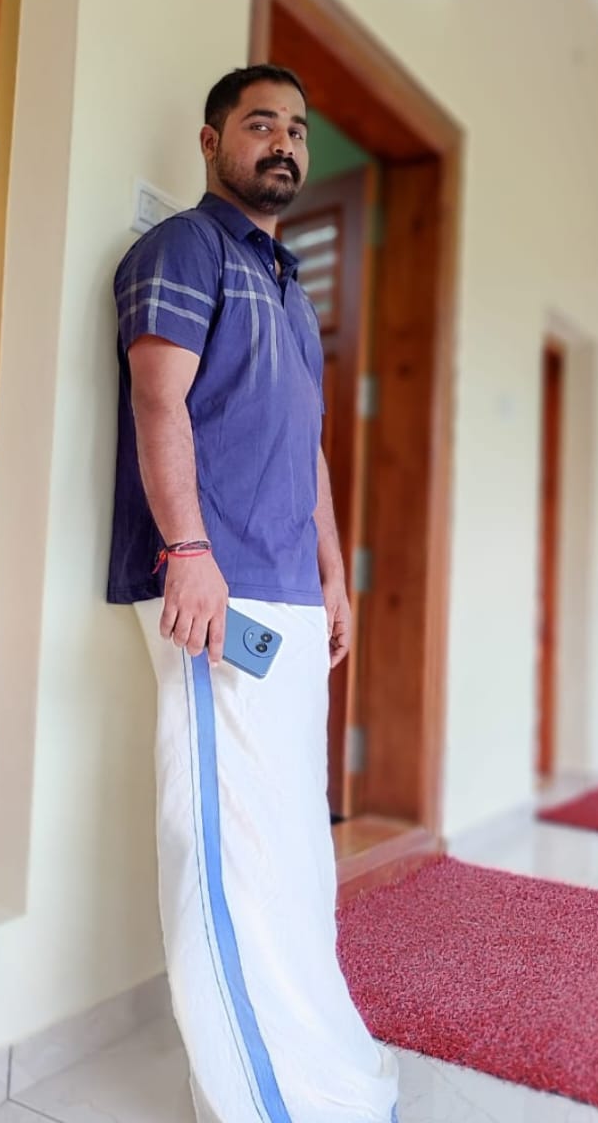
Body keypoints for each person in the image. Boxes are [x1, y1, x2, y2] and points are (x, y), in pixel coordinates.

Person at [107, 65, 400, 1123]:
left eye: (297, 130)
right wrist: (188, 548)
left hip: (290, 594)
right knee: (229, 857)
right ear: (211, 140)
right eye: (260, 123)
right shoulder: (183, 250)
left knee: (292, 849)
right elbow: (158, 399)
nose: (283, 143)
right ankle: (264, 1103)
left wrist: (333, 570)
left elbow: (307, 445)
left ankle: (318, 1069)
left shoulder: (289, 285)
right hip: (213, 590)